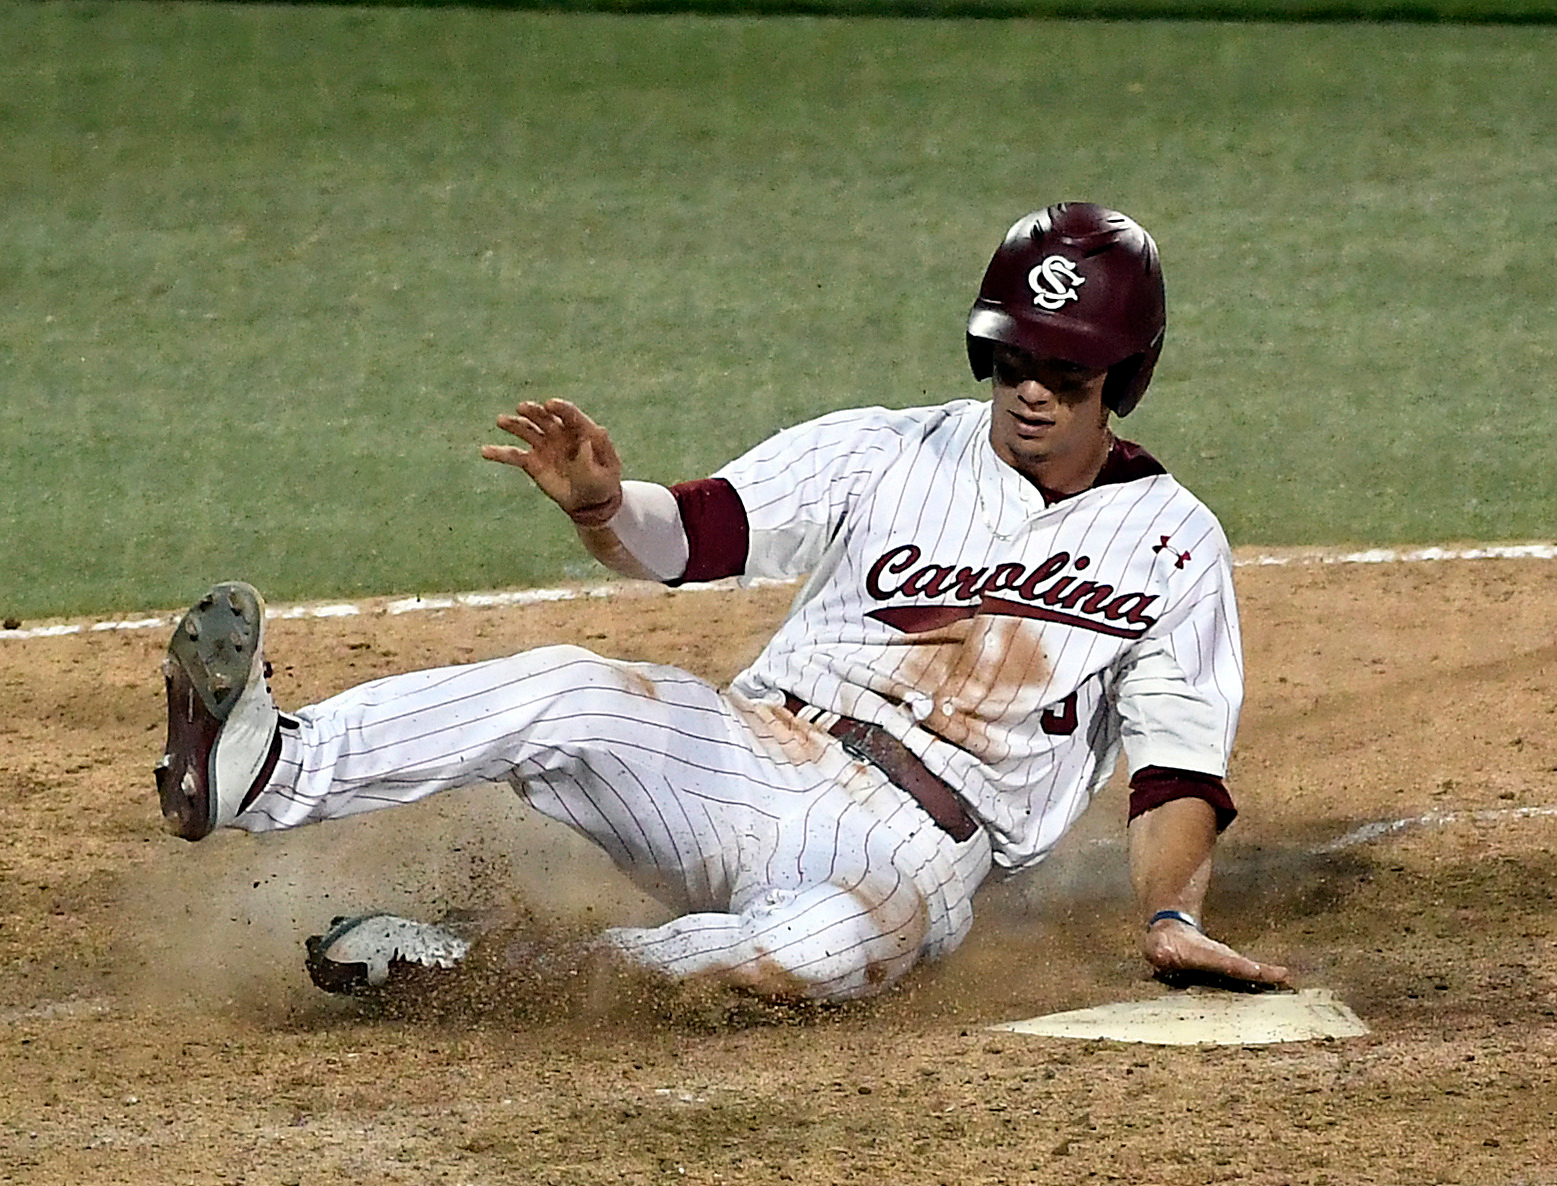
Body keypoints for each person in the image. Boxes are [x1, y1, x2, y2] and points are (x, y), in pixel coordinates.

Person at [155, 202, 1290, 1001]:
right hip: (751, 750)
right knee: (568, 689)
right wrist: (607, 508)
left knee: (810, 947)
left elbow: (1177, 768)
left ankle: (487, 976)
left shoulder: (1172, 545)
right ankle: (267, 763)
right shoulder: (890, 449)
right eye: (1012, 361)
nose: (1031, 391)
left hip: (914, 852)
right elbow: (702, 534)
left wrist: (1169, 917)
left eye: (1068, 372)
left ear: (1125, 377)